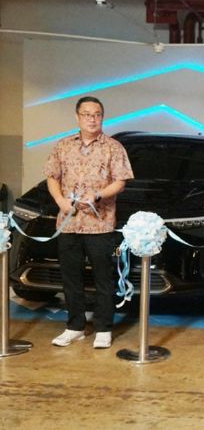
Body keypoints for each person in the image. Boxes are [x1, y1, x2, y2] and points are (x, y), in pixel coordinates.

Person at [45, 96, 133, 348]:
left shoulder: (113, 147)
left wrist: (98, 195)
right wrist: (60, 200)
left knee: (103, 278)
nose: (92, 119)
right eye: (87, 114)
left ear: (102, 117)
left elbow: (120, 181)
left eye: (97, 115)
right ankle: (75, 326)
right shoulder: (63, 146)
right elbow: (52, 176)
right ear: (77, 117)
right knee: (70, 277)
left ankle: (104, 328)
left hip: (100, 224)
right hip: (69, 223)